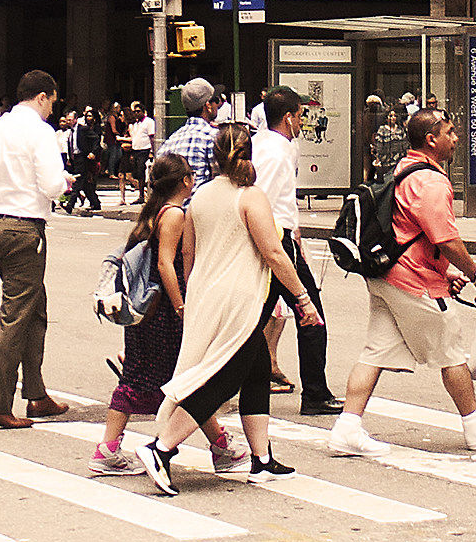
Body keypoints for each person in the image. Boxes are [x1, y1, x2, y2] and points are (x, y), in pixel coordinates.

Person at [330, 109, 476, 458]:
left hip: (388, 276)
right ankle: (475, 424)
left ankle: (347, 427)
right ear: (431, 139)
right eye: (450, 131)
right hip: (412, 282)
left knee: (374, 352)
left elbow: (412, 233)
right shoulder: (432, 181)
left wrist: (446, 272)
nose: (456, 138)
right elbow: (446, 239)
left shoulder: (404, 169)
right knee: (450, 349)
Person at [136, 123, 319, 494]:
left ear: (215, 158)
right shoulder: (252, 197)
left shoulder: (199, 197)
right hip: (241, 300)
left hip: (206, 295)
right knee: (222, 378)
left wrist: (193, 295)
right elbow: (273, 253)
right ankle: (161, 449)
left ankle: (261, 459)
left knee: (254, 369)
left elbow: (188, 254)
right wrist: (302, 297)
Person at [91, 153, 247, 478]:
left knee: (158, 378)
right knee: (187, 378)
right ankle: (220, 447)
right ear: (185, 181)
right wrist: (181, 306)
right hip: (162, 312)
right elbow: (165, 264)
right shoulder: (174, 214)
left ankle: (109, 449)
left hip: (146, 313)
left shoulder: (154, 212)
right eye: (191, 175)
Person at [0, 69, 70, 429]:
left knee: (34, 308)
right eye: (53, 100)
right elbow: (52, 185)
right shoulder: (41, 132)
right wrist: (66, 181)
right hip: (25, 230)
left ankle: (36, 395)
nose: (53, 108)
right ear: (41, 97)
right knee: (16, 315)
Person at [252, 88, 341, 416]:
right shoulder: (277, 153)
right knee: (311, 316)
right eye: (301, 115)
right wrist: (283, 240)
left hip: (280, 240)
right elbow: (264, 200)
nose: (303, 121)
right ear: (288, 117)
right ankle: (315, 393)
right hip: (277, 244)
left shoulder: (265, 143)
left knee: (253, 321)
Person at [163, 77, 222, 190]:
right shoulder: (213, 136)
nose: (218, 105)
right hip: (203, 206)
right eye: (216, 100)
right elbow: (222, 181)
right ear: (208, 105)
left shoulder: (170, 141)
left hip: (175, 206)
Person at [63, 106, 104, 213]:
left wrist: (93, 152)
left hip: (83, 158)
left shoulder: (83, 129)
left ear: (76, 119)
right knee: (86, 184)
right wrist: (70, 158)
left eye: (70, 120)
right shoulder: (70, 131)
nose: (68, 122)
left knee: (78, 180)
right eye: (67, 120)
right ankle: (95, 203)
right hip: (75, 159)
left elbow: (96, 139)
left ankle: (70, 204)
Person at [368, 99, 408, 184]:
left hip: (398, 162)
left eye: (394, 116)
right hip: (385, 162)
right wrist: (378, 160)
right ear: (386, 118)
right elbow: (378, 147)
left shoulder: (400, 129)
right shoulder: (382, 130)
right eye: (390, 116)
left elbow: (405, 145)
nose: (393, 118)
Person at [127, 103, 156, 192]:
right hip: (136, 150)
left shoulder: (149, 122)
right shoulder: (135, 124)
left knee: (142, 172)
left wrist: (152, 151)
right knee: (137, 173)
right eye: (134, 112)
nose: (136, 113)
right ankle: (141, 193)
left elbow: (152, 137)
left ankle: (144, 194)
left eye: (138, 111)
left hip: (145, 150)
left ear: (143, 112)